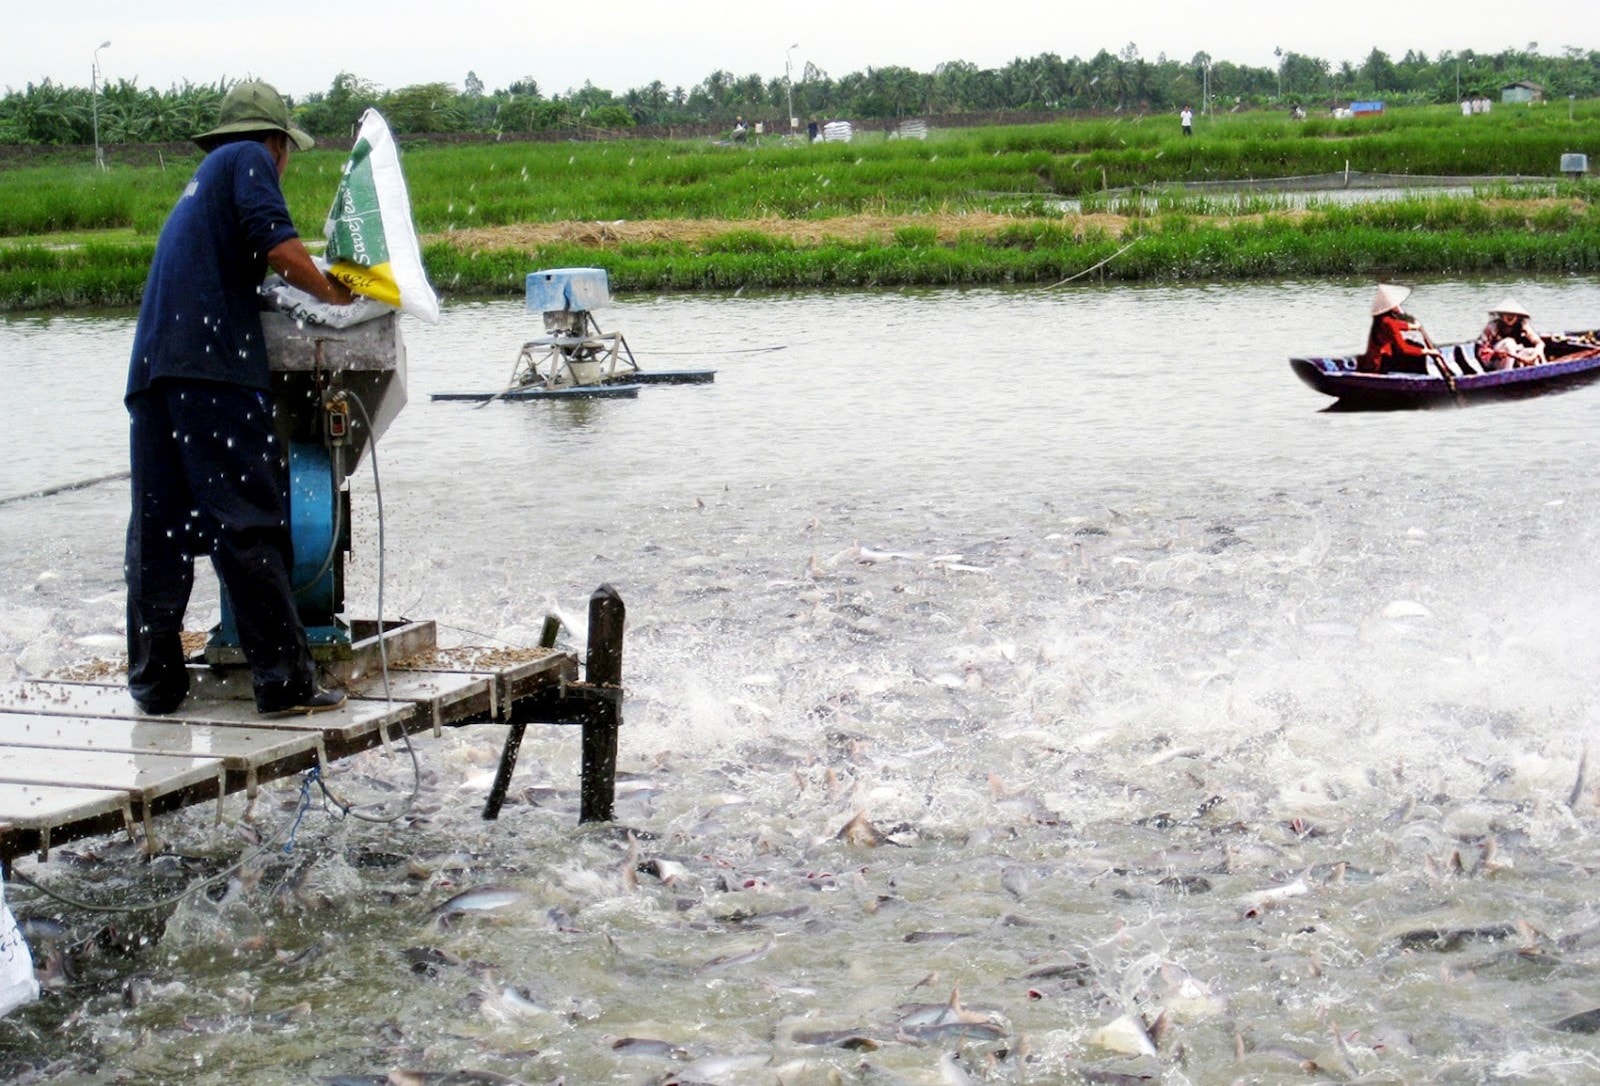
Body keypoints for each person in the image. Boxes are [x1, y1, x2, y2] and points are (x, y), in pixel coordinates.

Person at [124, 80, 356, 717]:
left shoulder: (201, 184)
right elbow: (278, 247)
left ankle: (155, 683)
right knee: (247, 521)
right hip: (214, 370)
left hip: (154, 372)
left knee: (160, 528)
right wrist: (335, 293)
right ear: (278, 144)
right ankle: (284, 683)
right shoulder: (249, 158)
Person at [1358, 283, 1439, 374]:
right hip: (1375, 364)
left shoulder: (1379, 319)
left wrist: (1413, 326)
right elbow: (1404, 349)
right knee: (1417, 349)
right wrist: (1428, 351)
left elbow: (1397, 325)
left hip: (1366, 360)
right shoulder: (1388, 323)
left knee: (1411, 344)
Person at [1475, 298, 1545, 370]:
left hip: (1515, 357)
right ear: (1502, 315)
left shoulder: (1522, 325)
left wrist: (1535, 354)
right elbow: (1481, 351)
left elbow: (1539, 343)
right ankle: (1507, 372)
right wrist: (1495, 353)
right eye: (1507, 314)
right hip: (1495, 361)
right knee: (1509, 342)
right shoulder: (1492, 327)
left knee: (1531, 351)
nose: (1510, 316)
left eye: (1513, 314)